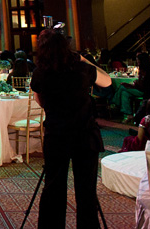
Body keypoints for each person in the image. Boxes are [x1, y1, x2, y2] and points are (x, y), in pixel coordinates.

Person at [29, 29, 112, 228]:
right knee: (86, 192)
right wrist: (84, 59)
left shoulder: (40, 72)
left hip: (57, 136)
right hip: (85, 135)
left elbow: (39, 101)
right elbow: (107, 81)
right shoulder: (82, 69)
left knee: (54, 188)